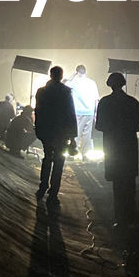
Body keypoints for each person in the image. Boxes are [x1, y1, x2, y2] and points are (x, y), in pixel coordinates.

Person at [94, 72, 139, 226]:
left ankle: (119, 217)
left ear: (110, 84)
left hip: (112, 146)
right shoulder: (132, 102)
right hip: (128, 146)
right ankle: (131, 216)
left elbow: (99, 125)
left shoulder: (104, 102)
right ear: (123, 84)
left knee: (117, 184)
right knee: (129, 182)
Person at [33, 65, 77, 206]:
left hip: (47, 132)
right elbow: (71, 114)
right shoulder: (66, 93)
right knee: (59, 162)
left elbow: (38, 112)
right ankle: (53, 193)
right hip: (61, 133)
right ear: (61, 76)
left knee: (47, 158)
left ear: (50, 75)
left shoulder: (41, 92)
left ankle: (42, 186)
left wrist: (38, 130)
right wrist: (73, 136)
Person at [66, 63, 100, 157]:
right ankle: (86, 153)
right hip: (90, 112)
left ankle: (74, 152)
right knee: (87, 135)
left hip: (78, 111)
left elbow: (65, 85)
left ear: (77, 72)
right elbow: (96, 99)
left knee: (77, 132)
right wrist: (96, 112)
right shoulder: (92, 82)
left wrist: (73, 75)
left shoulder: (75, 82)